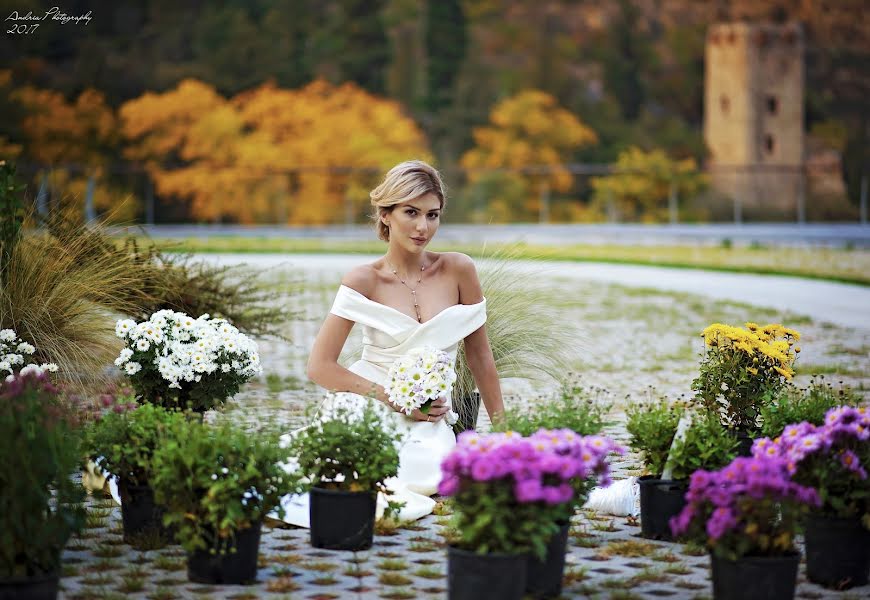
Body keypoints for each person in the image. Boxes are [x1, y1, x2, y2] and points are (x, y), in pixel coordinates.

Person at [276, 160, 504, 527]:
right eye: (411, 212)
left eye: (433, 215)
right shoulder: (364, 279)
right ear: (385, 215)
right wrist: (390, 398)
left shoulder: (459, 269)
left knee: (423, 472)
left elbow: (480, 357)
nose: (422, 226)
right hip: (365, 402)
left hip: (428, 418)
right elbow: (319, 366)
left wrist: (506, 434)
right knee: (343, 457)